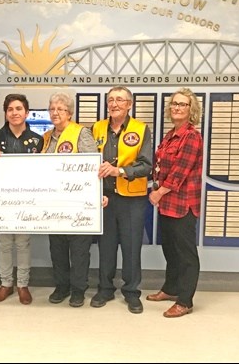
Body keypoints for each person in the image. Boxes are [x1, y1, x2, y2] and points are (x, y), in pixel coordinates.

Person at [91, 86, 152, 313]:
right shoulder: (97, 128)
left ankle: (131, 292)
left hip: (131, 198)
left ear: (129, 104)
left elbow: (146, 165)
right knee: (106, 246)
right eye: (110, 100)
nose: (114, 104)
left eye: (119, 100)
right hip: (105, 198)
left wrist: (120, 171)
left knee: (131, 245)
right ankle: (105, 288)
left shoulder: (141, 129)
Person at [147, 87, 203, 318]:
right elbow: (159, 167)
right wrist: (154, 187)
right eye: (175, 104)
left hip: (183, 205)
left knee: (186, 254)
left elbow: (179, 173)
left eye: (183, 104)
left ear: (191, 110)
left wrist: (158, 193)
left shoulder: (191, 136)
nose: (177, 107)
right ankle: (171, 289)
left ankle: (185, 300)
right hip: (167, 205)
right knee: (170, 250)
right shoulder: (170, 135)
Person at [0, 93, 43, 305]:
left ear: (27, 113)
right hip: (1, 199)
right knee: (5, 242)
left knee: (23, 242)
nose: (15, 113)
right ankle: (6, 283)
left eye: (19, 109)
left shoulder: (38, 139)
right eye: (10, 109)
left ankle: (23, 285)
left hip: (27, 199)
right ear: (5, 113)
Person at [43, 92, 99, 308]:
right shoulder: (47, 137)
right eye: (52, 109)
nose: (55, 113)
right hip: (54, 203)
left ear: (70, 113)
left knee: (78, 249)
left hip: (77, 203)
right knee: (57, 247)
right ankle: (61, 286)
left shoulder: (81, 133)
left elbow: (92, 166)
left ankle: (78, 289)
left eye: (61, 109)